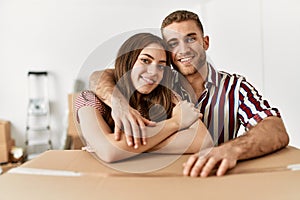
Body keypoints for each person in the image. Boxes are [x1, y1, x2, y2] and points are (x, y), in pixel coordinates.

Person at [90, 10, 289, 176]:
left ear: (205, 42)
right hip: (161, 181)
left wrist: (231, 149)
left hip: (216, 179)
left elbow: (275, 129)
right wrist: (117, 102)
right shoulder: (158, 81)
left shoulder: (235, 87)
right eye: (173, 44)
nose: (183, 49)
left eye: (190, 39)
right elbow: (101, 76)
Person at [76, 32, 212, 163]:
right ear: (128, 61)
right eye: (145, 60)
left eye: (161, 66)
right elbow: (109, 152)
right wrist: (175, 122)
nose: (153, 72)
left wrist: (125, 148)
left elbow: (204, 141)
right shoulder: (89, 98)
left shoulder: (168, 96)